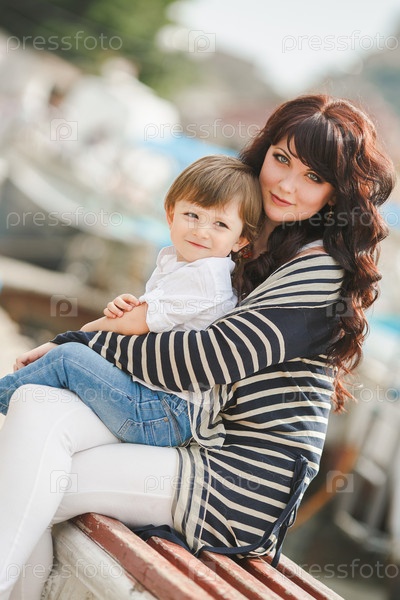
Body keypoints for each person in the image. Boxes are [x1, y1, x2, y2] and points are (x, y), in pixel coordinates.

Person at [0, 94, 395, 600]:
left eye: (313, 177)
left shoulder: (320, 268)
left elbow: (207, 358)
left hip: (240, 480)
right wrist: (80, 345)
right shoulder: (252, 241)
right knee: (36, 406)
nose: (286, 185)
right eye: (281, 159)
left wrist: (84, 346)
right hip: (195, 434)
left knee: (38, 482)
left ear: (335, 196)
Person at [0, 155, 262, 447]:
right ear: (171, 213)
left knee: (67, 358)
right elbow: (136, 321)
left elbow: (130, 325)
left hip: (164, 412)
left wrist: (67, 339)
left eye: (220, 224)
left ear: (241, 239)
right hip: (159, 404)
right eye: (193, 215)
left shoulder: (205, 274)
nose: (201, 231)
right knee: (70, 365)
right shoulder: (181, 264)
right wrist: (129, 310)